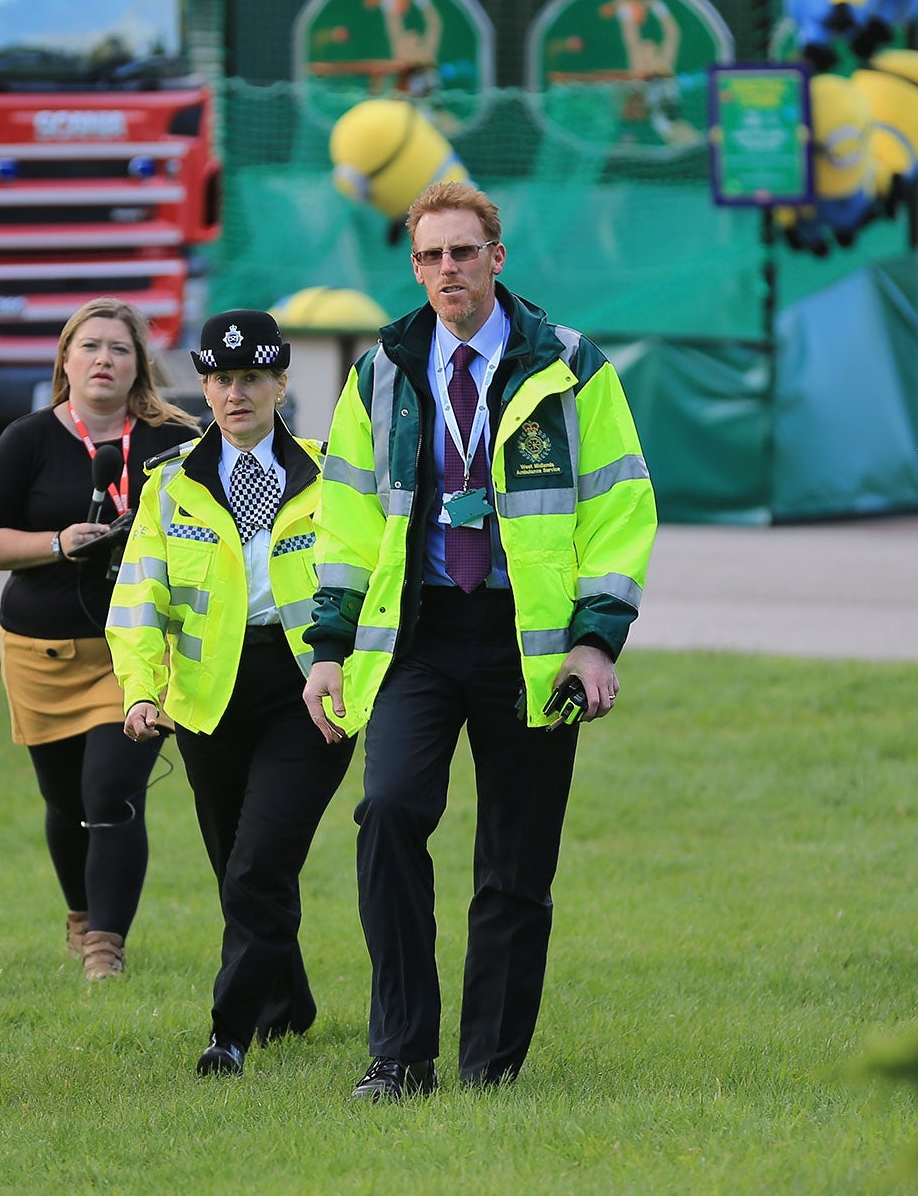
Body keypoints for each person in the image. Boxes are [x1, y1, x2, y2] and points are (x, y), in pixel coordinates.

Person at [301, 183, 657, 1101]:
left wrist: (596, 641)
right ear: (414, 266)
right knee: (387, 817)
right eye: (429, 257)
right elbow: (342, 518)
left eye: (462, 253)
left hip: (528, 645)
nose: (446, 271)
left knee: (515, 860)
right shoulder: (381, 367)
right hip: (417, 635)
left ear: (497, 258)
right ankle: (399, 1057)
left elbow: (620, 507)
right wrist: (329, 646)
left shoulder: (571, 365)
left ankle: (491, 1067)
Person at [110, 310, 356, 1078]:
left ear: (282, 383)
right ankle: (291, 1003)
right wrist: (140, 692)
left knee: (257, 866)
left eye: (252, 377)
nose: (235, 393)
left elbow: (367, 582)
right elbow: (139, 599)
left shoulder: (336, 475)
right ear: (203, 385)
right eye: (220, 378)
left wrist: (347, 665)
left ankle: (230, 1033)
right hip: (207, 698)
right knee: (238, 868)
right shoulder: (169, 485)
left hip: (310, 690)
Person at [0, 299, 199, 981]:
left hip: (140, 655)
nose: (104, 360)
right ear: (65, 361)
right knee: (66, 803)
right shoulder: (27, 439)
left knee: (110, 792)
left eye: (119, 349)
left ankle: (106, 943)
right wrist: (57, 543)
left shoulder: (175, 441)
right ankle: (80, 910)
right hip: (43, 650)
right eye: (89, 346)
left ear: (139, 367)